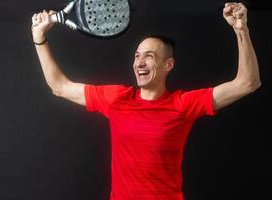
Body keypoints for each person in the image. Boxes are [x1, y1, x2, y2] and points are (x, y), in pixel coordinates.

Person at [31, 2, 260, 200]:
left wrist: (241, 30)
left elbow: (248, 82)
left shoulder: (183, 104)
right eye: (137, 56)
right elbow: (59, 87)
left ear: (167, 65)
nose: (139, 63)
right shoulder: (117, 99)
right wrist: (39, 38)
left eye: (148, 57)